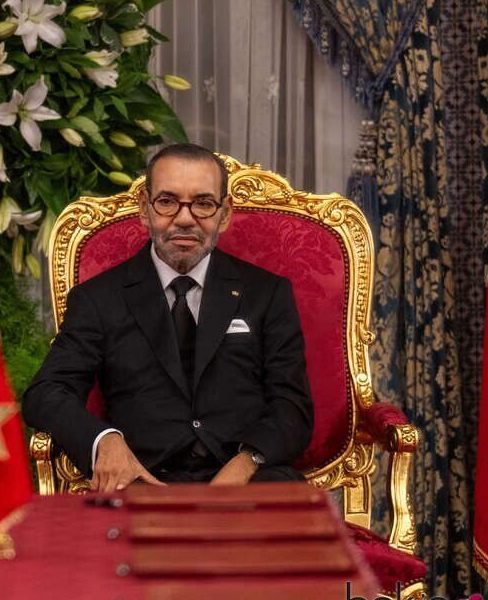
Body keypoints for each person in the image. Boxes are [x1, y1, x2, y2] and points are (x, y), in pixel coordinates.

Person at [22, 143, 313, 492]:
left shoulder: (267, 293)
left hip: (249, 482)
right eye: (167, 201)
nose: (185, 218)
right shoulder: (99, 298)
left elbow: (292, 405)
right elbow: (46, 393)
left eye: (203, 203)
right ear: (145, 208)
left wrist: (247, 462)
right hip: (142, 482)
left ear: (225, 213)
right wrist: (105, 441)